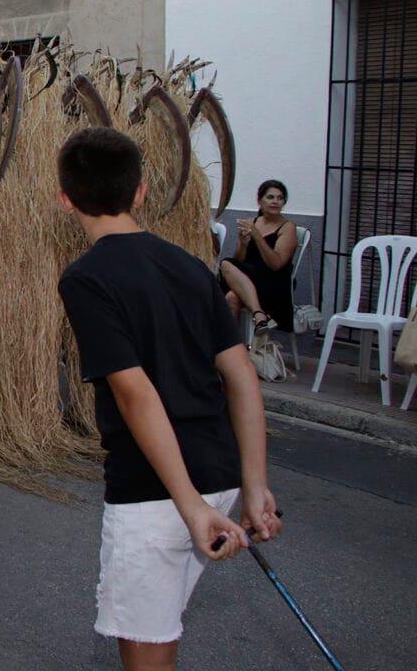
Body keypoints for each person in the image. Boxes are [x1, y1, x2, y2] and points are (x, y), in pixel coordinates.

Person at [55, 128, 281, 671]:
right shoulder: (190, 265)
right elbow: (242, 376)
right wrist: (254, 485)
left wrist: (188, 505)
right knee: (159, 634)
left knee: (147, 651)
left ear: (65, 200)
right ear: (140, 192)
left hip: (157, 491)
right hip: (219, 476)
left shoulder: (86, 279)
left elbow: (135, 393)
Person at [219, 179, 297, 335]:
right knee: (231, 295)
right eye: (270, 197)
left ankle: (257, 314)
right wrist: (243, 244)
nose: (275, 201)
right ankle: (248, 330)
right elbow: (239, 262)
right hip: (249, 278)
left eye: (280, 198)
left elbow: (276, 264)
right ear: (260, 201)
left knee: (225, 265)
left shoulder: (288, 227)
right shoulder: (252, 223)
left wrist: (257, 236)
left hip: (274, 282)